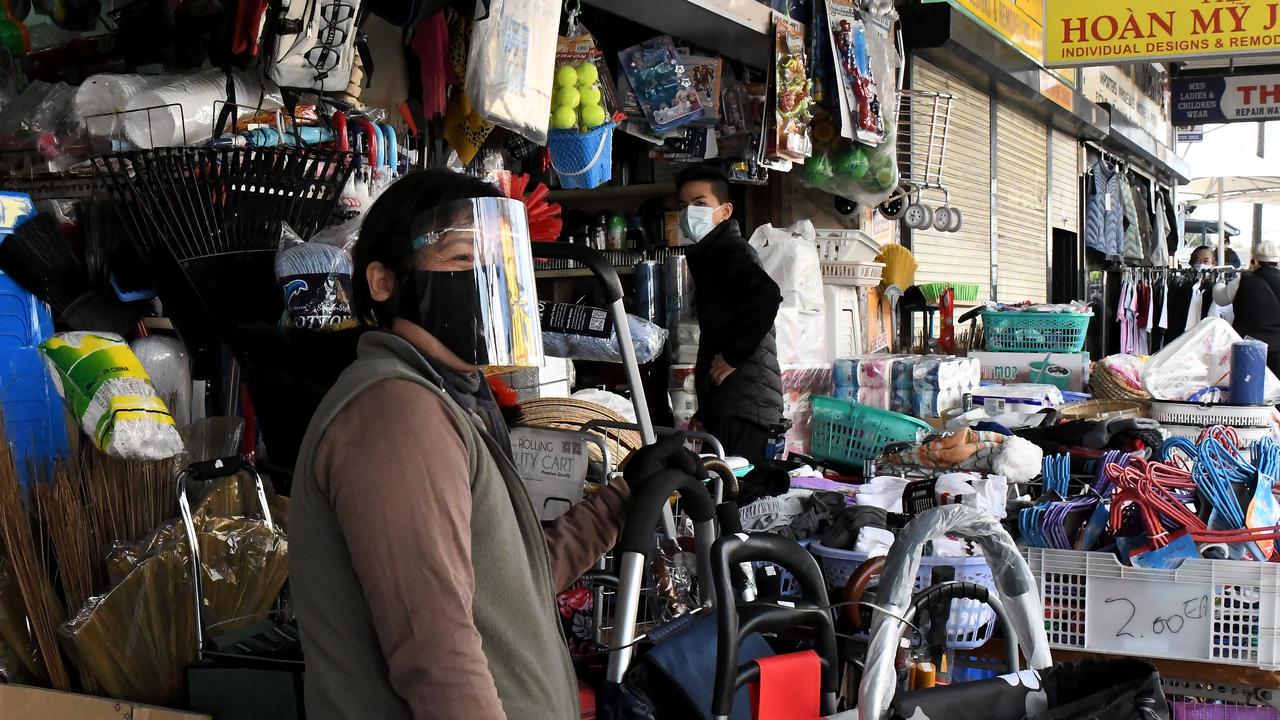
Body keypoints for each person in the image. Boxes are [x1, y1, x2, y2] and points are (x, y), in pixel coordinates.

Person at [289, 169, 700, 720]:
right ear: (384, 282)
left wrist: (625, 499)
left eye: (502, 262)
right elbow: (435, 649)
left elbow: (513, 582)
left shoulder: (452, 400)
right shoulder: (397, 413)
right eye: (462, 258)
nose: (489, 280)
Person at [676, 163, 784, 459]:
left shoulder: (730, 250)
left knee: (737, 498)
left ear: (725, 211)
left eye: (699, 203)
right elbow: (721, 331)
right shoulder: (712, 255)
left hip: (746, 408)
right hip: (734, 405)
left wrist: (733, 356)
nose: (689, 213)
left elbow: (768, 297)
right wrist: (707, 411)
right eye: (683, 206)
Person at [1231, 240, 1280, 376]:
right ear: (1277, 262)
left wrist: (1219, 284)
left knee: (1249, 388)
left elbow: (1220, 299)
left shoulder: (1241, 281)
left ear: (1255, 261)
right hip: (1278, 347)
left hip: (1248, 344)